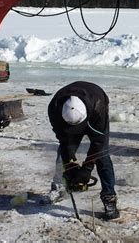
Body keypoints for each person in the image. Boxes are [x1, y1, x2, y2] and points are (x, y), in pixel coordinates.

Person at [47, 81, 119, 220]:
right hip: (70, 115)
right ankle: (59, 187)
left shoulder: (99, 107)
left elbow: (98, 143)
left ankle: (109, 199)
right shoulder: (54, 109)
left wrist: (87, 169)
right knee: (63, 155)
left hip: (95, 107)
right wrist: (70, 165)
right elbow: (63, 141)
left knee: (102, 156)